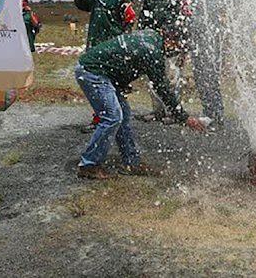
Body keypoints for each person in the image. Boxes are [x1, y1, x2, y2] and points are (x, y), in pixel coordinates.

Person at [75, 30, 206, 180]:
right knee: (112, 117)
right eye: (178, 48)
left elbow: (125, 58)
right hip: (92, 72)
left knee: (123, 115)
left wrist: (122, 80)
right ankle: (89, 165)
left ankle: (132, 163)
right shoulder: (152, 52)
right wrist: (184, 118)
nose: (176, 53)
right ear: (170, 40)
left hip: (101, 72)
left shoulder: (152, 37)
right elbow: (162, 89)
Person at [75, 0, 133, 130]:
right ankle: (100, 117)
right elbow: (80, 4)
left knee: (112, 83)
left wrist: (123, 45)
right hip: (94, 47)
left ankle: (117, 118)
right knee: (95, 85)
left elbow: (129, 19)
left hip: (112, 49)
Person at [138, 0, 189, 118]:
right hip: (152, 39)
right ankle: (157, 111)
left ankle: (173, 112)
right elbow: (144, 12)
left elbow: (183, 16)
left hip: (172, 39)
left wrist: (181, 41)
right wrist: (141, 32)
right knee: (152, 76)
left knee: (172, 78)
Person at [188, 0, 225, 126]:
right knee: (203, 81)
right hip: (201, 47)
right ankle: (210, 113)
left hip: (207, 49)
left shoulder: (209, 3)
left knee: (209, 81)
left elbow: (197, 23)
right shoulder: (202, 2)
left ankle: (216, 115)